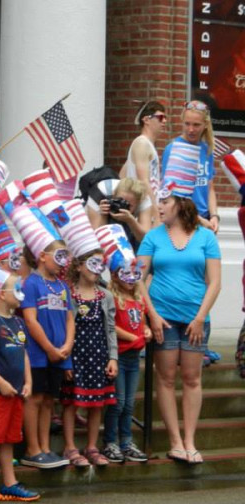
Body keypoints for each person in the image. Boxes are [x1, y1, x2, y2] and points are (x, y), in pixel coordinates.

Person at [138, 187, 221, 464]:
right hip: (164, 318)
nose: (159, 206)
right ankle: (175, 441)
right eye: (159, 201)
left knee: (192, 378)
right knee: (165, 378)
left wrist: (200, 317)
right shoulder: (152, 237)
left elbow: (215, 282)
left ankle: (190, 441)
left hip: (196, 319)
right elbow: (136, 278)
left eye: (165, 201)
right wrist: (152, 315)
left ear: (181, 204)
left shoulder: (206, 237)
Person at [0, 274, 40, 503]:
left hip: (17, 393)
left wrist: (29, 382)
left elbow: (23, 354)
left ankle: (9, 483)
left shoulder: (18, 322)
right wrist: (0, 383)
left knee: (10, 438)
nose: (21, 294)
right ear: (2, 294)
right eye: (17, 290)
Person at [60, 250, 118, 467]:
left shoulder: (106, 296)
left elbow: (111, 329)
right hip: (76, 355)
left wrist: (113, 358)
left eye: (100, 264)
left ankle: (91, 446)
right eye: (92, 263)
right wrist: (66, 360)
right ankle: (69, 447)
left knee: (97, 403)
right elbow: (64, 327)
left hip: (98, 355)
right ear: (78, 266)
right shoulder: (68, 294)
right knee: (71, 402)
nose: (96, 269)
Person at [20, 240, 73, 470]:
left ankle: (45, 447)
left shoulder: (63, 286)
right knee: (36, 398)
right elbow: (30, 320)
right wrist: (50, 349)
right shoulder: (31, 284)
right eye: (58, 256)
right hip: (38, 354)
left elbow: (71, 318)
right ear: (43, 256)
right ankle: (32, 449)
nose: (63, 262)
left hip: (60, 354)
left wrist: (67, 345)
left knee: (49, 400)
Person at [103, 264, 152, 463]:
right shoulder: (113, 298)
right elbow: (111, 324)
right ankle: (110, 442)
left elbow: (141, 322)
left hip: (133, 358)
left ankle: (127, 441)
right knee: (118, 403)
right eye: (126, 274)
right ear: (115, 276)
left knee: (129, 404)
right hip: (119, 357)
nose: (131, 279)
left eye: (135, 274)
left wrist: (146, 330)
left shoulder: (138, 299)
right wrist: (130, 336)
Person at [161, 101, 219, 232]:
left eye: (196, 125)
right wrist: (198, 220)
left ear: (205, 125)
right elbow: (170, 194)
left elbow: (210, 188)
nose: (190, 129)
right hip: (181, 220)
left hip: (205, 218)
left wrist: (214, 215)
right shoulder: (173, 149)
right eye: (187, 124)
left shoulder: (207, 149)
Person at [120, 100, 166, 222]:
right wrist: (156, 212)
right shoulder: (142, 143)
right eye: (160, 117)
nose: (164, 121)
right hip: (143, 212)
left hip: (146, 209)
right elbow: (143, 181)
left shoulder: (145, 144)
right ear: (146, 120)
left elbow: (122, 175)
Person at [86, 178, 150, 249]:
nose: (122, 206)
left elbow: (145, 239)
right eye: (120, 200)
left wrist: (131, 221)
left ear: (138, 204)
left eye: (129, 205)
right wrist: (103, 215)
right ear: (113, 195)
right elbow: (97, 240)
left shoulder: (145, 202)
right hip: (101, 193)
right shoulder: (99, 195)